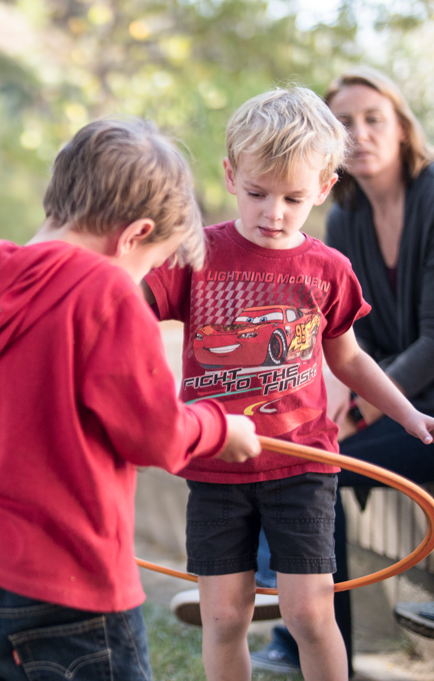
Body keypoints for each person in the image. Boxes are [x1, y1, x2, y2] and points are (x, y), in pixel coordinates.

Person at [0, 118, 262, 681]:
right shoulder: (105, 294)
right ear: (132, 236)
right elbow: (155, 435)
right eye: (149, 265)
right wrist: (220, 429)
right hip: (73, 577)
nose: (141, 278)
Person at [142, 87, 434, 681]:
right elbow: (124, 315)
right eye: (257, 193)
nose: (273, 212)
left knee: (309, 612)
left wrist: (408, 414)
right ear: (231, 175)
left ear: (325, 188)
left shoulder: (329, 270)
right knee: (223, 616)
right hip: (216, 463)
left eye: (293, 198)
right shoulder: (196, 256)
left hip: (302, 464)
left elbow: (348, 360)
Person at [251, 66, 434, 677]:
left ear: (403, 128)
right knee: (313, 462)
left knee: (330, 455)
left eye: (373, 118)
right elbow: (338, 339)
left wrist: (359, 409)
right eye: (344, 123)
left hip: (414, 401)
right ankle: (321, 647)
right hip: (394, 396)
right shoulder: (344, 220)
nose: (359, 133)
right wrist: (324, 411)